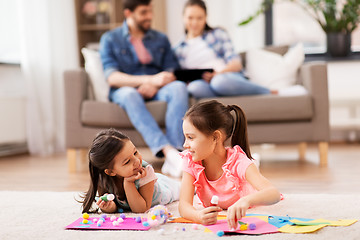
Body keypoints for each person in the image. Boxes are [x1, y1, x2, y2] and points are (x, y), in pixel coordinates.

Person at [99, 0, 187, 178]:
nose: (150, 17)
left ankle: (178, 153)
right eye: (144, 13)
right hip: (127, 89)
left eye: (150, 11)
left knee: (178, 87)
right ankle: (168, 152)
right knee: (130, 94)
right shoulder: (110, 39)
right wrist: (147, 80)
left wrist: (155, 84)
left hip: (157, 88)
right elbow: (113, 77)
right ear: (128, 14)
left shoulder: (160, 38)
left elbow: (172, 71)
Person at [179, 100, 281, 229]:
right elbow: (184, 205)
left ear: (216, 137)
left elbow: (273, 193)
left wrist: (246, 200)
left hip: (244, 184)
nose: (185, 145)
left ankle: (254, 164)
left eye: (190, 137)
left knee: (251, 175)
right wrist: (197, 216)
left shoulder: (238, 162)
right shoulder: (191, 161)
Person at [174, 0, 272, 98]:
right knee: (194, 88)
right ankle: (220, 107)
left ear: (206, 18)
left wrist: (217, 74)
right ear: (183, 18)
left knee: (219, 83)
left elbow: (236, 64)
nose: (195, 22)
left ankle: (267, 91)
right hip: (203, 83)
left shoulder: (218, 34)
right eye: (190, 18)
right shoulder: (178, 49)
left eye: (199, 18)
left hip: (226, 77)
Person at [81, 128, 180, 213]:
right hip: (156, 180)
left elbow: (141, 209)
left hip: (166, 188)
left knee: (186, 188)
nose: (137, 161)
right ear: (111, 172)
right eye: (127, 161)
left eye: (135, 152)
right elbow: (113, 204)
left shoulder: (145, 171)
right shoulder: (104, 178)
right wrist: (110, 207)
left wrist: (129, 183)